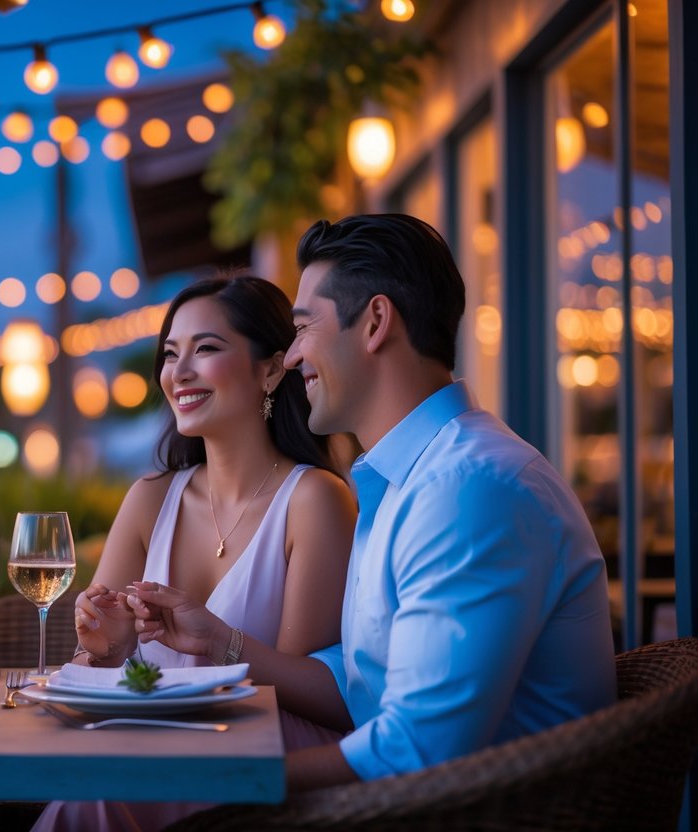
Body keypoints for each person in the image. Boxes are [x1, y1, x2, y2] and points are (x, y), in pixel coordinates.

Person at [130, 213, 617, 793]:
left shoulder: (469, 488)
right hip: (413, 802)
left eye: (305, 328)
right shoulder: (402, 482)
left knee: (131, 792)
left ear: (376, 323)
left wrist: (222, 779)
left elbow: (413, 752)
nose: (291, 359)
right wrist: (214, 641)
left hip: (477, 812)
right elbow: (359, 680)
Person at [32, 275, 356, 831]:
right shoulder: (149, 499)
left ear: (271, 369)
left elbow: (314, 696)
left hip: (278, 765)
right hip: (155, 747)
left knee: (97, 799)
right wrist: (108, 652)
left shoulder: (314, 500)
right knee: (97, 789)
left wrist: (215, 639)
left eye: (205, 349)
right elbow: (97, 661)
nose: (177, 373)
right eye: (170, 354)